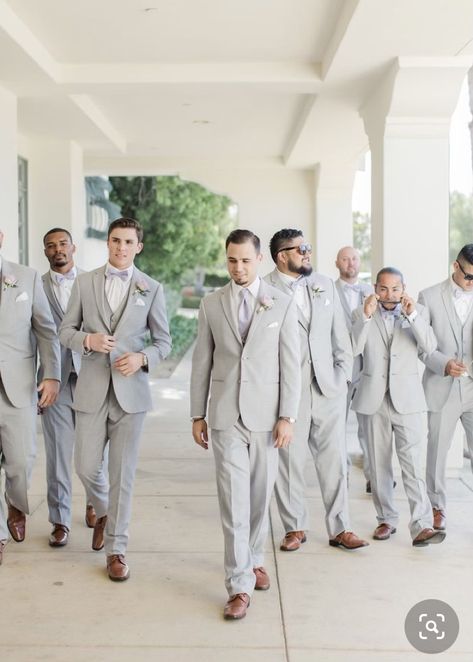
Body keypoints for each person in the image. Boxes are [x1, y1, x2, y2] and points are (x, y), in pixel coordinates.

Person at [191, 229, 301, 621]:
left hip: (267, 418)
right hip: (224, 417)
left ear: (259, 261)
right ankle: (238, 584)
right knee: (233, 501)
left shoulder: (283, 304)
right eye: (231, 260)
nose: (237, 267)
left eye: (245, 261)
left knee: (258, 497)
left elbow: (291, 366)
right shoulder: (211, 303)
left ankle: (255, 557)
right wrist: (197, 413)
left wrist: (287, 416)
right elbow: (201, 362)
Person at [59, 217, 171, 581]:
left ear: (138, 246)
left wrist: (142, 359)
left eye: (128, 242)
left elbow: (164, 343)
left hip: (131, 397)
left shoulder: (151, 288)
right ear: (107, 243)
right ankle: (104, 511)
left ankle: (116, 551)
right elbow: (65, 331)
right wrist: (87, 341)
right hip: (91, 390)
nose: (121, 247)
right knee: (85, 466)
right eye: (115, 240)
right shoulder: (85, 282)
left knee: (123, 475)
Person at [265, 229, 368, 554]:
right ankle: (294, 527)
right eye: (301, 249)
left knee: (334, 460)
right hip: (286, 392)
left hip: (328, 388)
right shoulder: (263, 289)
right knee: (289, 461)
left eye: (308, 248)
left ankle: (341, 528)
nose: (308, 253)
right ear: (283, 256)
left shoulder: (323, 284)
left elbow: (341, 335)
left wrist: (341, 377)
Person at [351, 267, 444, 546]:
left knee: (413, 465)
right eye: (383, 288)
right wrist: (366, 316)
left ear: (404, 288)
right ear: (375, 289)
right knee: (379, 466)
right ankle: (386, 519)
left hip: (409, 401)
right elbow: (352, 348)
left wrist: (413, 315)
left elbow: (429, 347)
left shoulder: (419, 312)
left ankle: (422, 525)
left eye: (395, 289)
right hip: (373, 400)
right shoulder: (361, 313)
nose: (389, 295)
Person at [41, 227, 105, 547]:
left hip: (91, 376)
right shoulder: (35, 286)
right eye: (51, 246)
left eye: (63, 243)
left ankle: (96, 504)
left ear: (73, 248)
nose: (58, 250)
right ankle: (60, 520)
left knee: (93, 449)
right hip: (54, 381)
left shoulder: (93, 282)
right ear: (46, 253)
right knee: (57, 452)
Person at [0, 229, 61, 564]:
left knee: (21, 461)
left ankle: (16, 505)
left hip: (18, 386)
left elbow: (46, 330)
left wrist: (51, 375)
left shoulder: (26, 277)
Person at [418, 244, 473, 531]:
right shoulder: (428, 297)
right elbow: (422, 347)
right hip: (442, 385)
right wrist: (443, 363)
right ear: (456, 266)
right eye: (469, 277)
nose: (472, 283)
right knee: (437, 451)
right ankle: (437, 507)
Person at [335, 246, 373, 491]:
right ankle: (342, 473)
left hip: (367, 368)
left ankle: (373, 475)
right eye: (346, 259)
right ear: (336, 263)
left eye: (355, 259)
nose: (351, 263)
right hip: (338, 369)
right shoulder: (326, 291)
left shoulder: (372, 292)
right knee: (337, 425)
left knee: (368, 426)